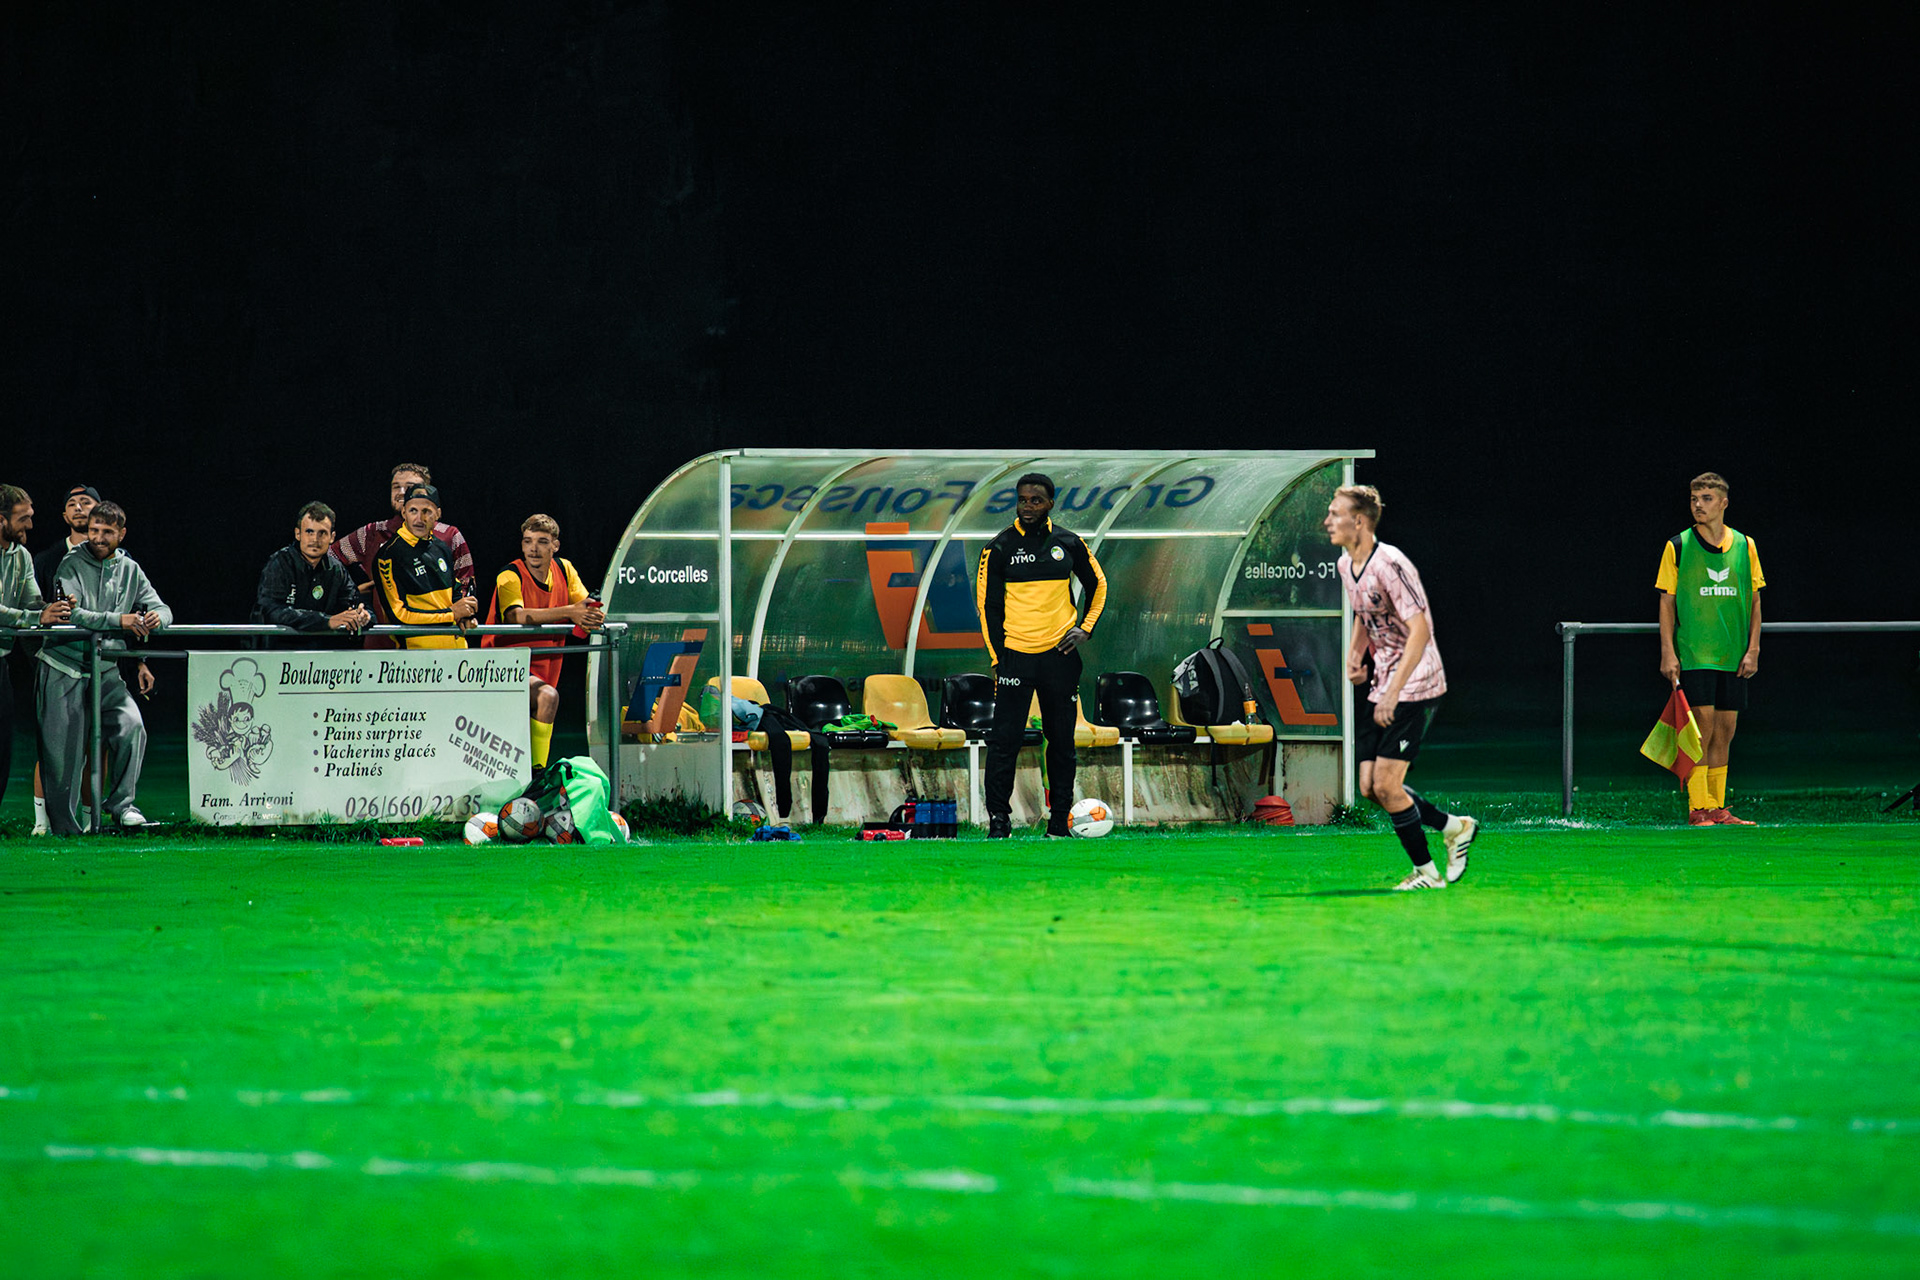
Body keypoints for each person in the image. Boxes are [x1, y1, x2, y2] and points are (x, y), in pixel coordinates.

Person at [1325, 484, 1477, 891]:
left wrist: (1393, 692)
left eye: (1336, 513)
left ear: (1359, 521)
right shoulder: (1346, 565)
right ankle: (1454, 827)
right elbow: (1365, 614)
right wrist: (1355, 656)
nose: (1328, 521)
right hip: (1382, 684)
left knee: (1388, 785)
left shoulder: (1391, 564)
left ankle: (1427, 874)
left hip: (1417, 685)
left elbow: (1421, 629)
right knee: (1369, 788)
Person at [975, 472, 1108, 839]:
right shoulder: (997, 547)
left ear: (1050, 503)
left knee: (1062, 742)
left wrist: (1086, 628)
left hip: (1060, 658)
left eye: (1035, 500)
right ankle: (999, 822)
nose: (1027, 506)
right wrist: (998, 659)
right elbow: (987, 608)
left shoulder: (1069, 542)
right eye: (1022, 500)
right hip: (1015, 657)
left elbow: (1098, 585)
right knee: (1005, 742)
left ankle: (1058, 822)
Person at [37, 500, 171, 834]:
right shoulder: (70, 563)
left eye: (106, 532)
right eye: (94, 530)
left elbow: (163, 608)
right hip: (65, 666)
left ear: (121, 534)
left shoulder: (131, 569)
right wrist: (121, 620)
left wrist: (157, 618)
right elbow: (75, 615)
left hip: (105, 669)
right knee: (63, 755)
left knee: (132, 726)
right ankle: (63, 828)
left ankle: (122, 806)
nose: (98, 537)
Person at [1656, 471, 1764, 826]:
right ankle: (1697, 807)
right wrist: (1668, 652)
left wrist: (1753, 649)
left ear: (1723, 502)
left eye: (1705, 499)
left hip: (1732, 654)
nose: (1698, 505)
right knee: (1700, 726)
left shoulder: (1745, 546)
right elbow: (1667, 601)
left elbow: (1755, 598)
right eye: (1694, 499)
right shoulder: (1679, 546)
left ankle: (1717, 806)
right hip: (1696, 651)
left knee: (1726, 729)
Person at [481, 514, 602, 770]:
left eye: (542, 542)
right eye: (528, 542)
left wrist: (591, 614)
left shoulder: (565, 569)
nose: (533, 549)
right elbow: (517, 616)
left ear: (555, 546)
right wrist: (570, 612)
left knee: (542, 704)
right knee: (547, 697)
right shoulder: (509, 575)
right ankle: (537, 775)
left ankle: (534, 777)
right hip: (504, 665)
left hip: (545, 664)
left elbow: (582, 606)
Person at [330, 462, 475, 647]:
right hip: (382, 643)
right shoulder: (372, 532)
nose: (401, 492)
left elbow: (466, 585)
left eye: (410, 487)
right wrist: (353, 593)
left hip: (442, 641)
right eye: (396, 486)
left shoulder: (449, 536)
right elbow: (329, 557)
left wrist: (464, 614)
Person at [27, 484, 103, 834]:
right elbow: (34, 611)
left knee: (97, 741)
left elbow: (134, 608)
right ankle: (43, 822)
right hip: (57, 661)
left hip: (102, 664)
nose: (77, 508)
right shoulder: (46, 559)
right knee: (53, 742)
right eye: (71, 504)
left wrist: (140, 663)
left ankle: (91, 819)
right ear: (63, 516)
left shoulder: (119, 557)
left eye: (85, 502)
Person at [1, 486, 73, 813]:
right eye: (23, 518)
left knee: (3, 748)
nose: (30, 525)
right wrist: (34, 615)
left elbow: (32, 603)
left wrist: (54, 608)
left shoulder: (21, 556)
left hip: (1, 663)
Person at [251, 501, 372, 644]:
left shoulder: (336, 569)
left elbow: (355, 602)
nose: (315, 539)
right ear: (298, 534)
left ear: (332, 537)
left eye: (322, 533)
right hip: (276, 655)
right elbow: (272, 611)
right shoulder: (279, 563)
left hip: (319, 659)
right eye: (309, 532)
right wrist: (327, 621)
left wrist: (364, 615)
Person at [374, 484, 477, 649]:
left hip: (457, 653)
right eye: (413, 511)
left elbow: (456, 591)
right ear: (403, 513)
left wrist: (464, 614)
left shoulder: (442, 547)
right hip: (418, 662)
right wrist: (451, 614)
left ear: (438, 514)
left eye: (427, 512)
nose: (419, 519)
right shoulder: (389, 556)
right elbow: (399, 614)